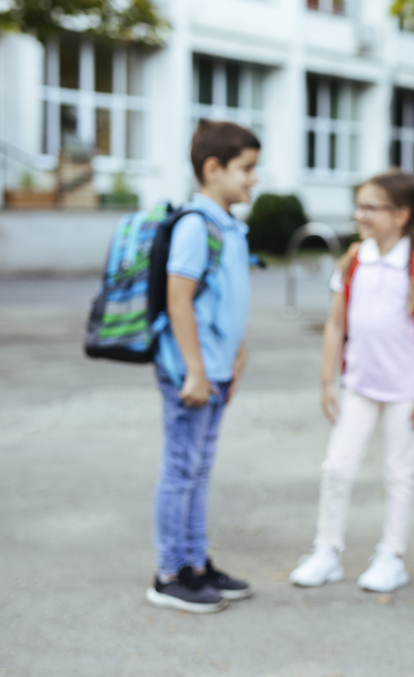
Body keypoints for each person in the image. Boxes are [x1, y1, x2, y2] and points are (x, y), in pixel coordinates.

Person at [289, 170, 414, 594]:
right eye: (358, 206)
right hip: (358, 384)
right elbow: (335, 323)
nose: (360, 215)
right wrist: (328, 382)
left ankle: (391, 556)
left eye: (371, 207)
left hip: (406, 390)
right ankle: (327, 551)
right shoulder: (353, 261)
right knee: (337, 468)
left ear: (401, 215)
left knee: (400, 474)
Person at [146, 121, 258, 614]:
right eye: (246, 169)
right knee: (181, 469)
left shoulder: (229, 224)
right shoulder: (197, 224)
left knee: (199, 467)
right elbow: (179, 299)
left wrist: (236, 352)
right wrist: (193, 369)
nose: (253, 180)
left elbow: (226, 301)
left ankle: (194, 562)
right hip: (191, 371)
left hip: (215, 368)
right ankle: (169, 572)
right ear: (213, 169)